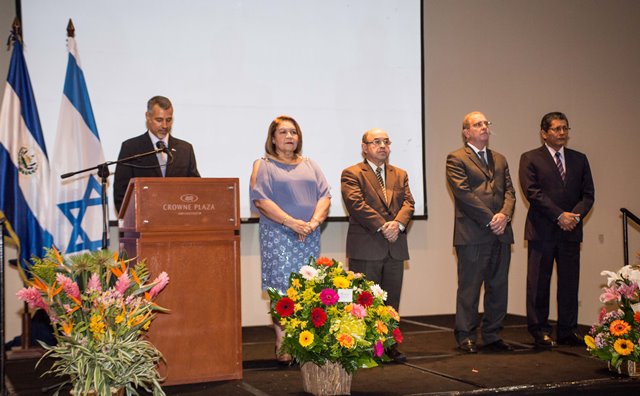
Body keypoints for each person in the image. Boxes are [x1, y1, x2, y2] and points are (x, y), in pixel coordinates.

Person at [250, 115, 331, 363]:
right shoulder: (263, 164)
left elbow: (325, 196)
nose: (289, 137)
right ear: (273, 138)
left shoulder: (310, 164)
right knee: (282, 289)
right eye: (283, 132)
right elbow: (261, 200)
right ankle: (283, 341)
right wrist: (291, 222)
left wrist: (313, 222)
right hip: (279, 234)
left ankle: (304, 340)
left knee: (308, 289)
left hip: (309, 234)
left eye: (293, 132)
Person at [519, 111, 595, 348]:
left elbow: (588, 195)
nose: (562, 133)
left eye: (565, 128)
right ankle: (540, 330)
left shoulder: (579, 159)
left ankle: (567, 330)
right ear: (544, 133)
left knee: (569, 283)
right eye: (557, 129)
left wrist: (574, 216)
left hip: (571, 230)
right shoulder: (530, 158)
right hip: (542, 231)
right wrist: (559, 215)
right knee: (539, 283)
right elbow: (533, 192)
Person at [341, 128, 414, 362]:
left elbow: (408, 203)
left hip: (395, 247)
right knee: (365, 301)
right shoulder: (352, 173)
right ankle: (365, 348)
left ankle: (390, 345)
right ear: (364, 147)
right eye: (376, 142)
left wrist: (398, 225)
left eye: (386, 141)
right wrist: (385, 226)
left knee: (392, 301)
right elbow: (356, 204)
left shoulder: (400, 174)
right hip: (367, 246)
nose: (382, 146)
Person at [445, 111, 515, 354]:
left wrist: (504, 215)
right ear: (467, 132)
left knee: (498, 286)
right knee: (470, 287)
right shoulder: (456, 158)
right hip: (473, 234)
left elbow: (510, 192)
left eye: (486, 123)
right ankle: (466, 335)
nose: (484, 127)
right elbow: (464, 194)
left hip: (501, 233)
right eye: (478, 124)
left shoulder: (500, 159)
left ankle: (493, 334)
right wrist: (491, 219)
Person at [113, 95, 200, 213]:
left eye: (168, 120)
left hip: (178, 223)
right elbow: (121, 193)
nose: (164, 126)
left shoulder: (185, 149)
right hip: (144, 225)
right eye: (159, 120)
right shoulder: (131, 148)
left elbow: (196, 188)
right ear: (147, 117)